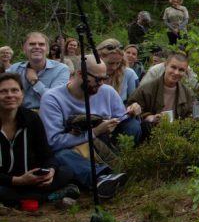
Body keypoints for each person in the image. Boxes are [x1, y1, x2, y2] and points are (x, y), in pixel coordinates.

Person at [39, 55, 135, 197]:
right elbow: (53, 142)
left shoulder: (107, 92)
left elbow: (122, 118)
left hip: (104, 146)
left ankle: (123, 169)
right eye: (97, 79)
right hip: (73, 151)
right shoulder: (53, 98)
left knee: (133, 125)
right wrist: (94, 131)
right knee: (61, 155)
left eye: (105, 78)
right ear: (79, 74)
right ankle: (101, 177)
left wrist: (132, 112)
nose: (101, 83)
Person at [0, 73, 81, 208]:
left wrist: (50, 171)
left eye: (14, 90)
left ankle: (22, 200)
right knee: (2, 192)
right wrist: (17, 181)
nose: (10, 95)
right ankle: (47, 197)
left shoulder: (31, 118)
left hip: (31, 179)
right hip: (6, 182)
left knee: (65, 172)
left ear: (22, 94)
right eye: (3, 91)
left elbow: (47, 153)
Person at [127, 52, 196, 130]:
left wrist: (194, 117)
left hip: (176, 133)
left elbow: (191, 115)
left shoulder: (188, 94)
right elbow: (130, 107)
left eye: (181, 70)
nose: (176, 72)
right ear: (165, 65)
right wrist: (148, 117)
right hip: (150, 131)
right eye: (173, 67)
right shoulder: (146, 88)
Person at [7, 32, 71, 111]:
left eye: (41, 44)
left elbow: (56, 98)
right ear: (24, 49)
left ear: (47, 50)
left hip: (49, 113)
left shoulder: (61, 69)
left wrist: (35, 82)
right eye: (32, 44)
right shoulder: (13, 70)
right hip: (19, 115)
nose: (37, 47)